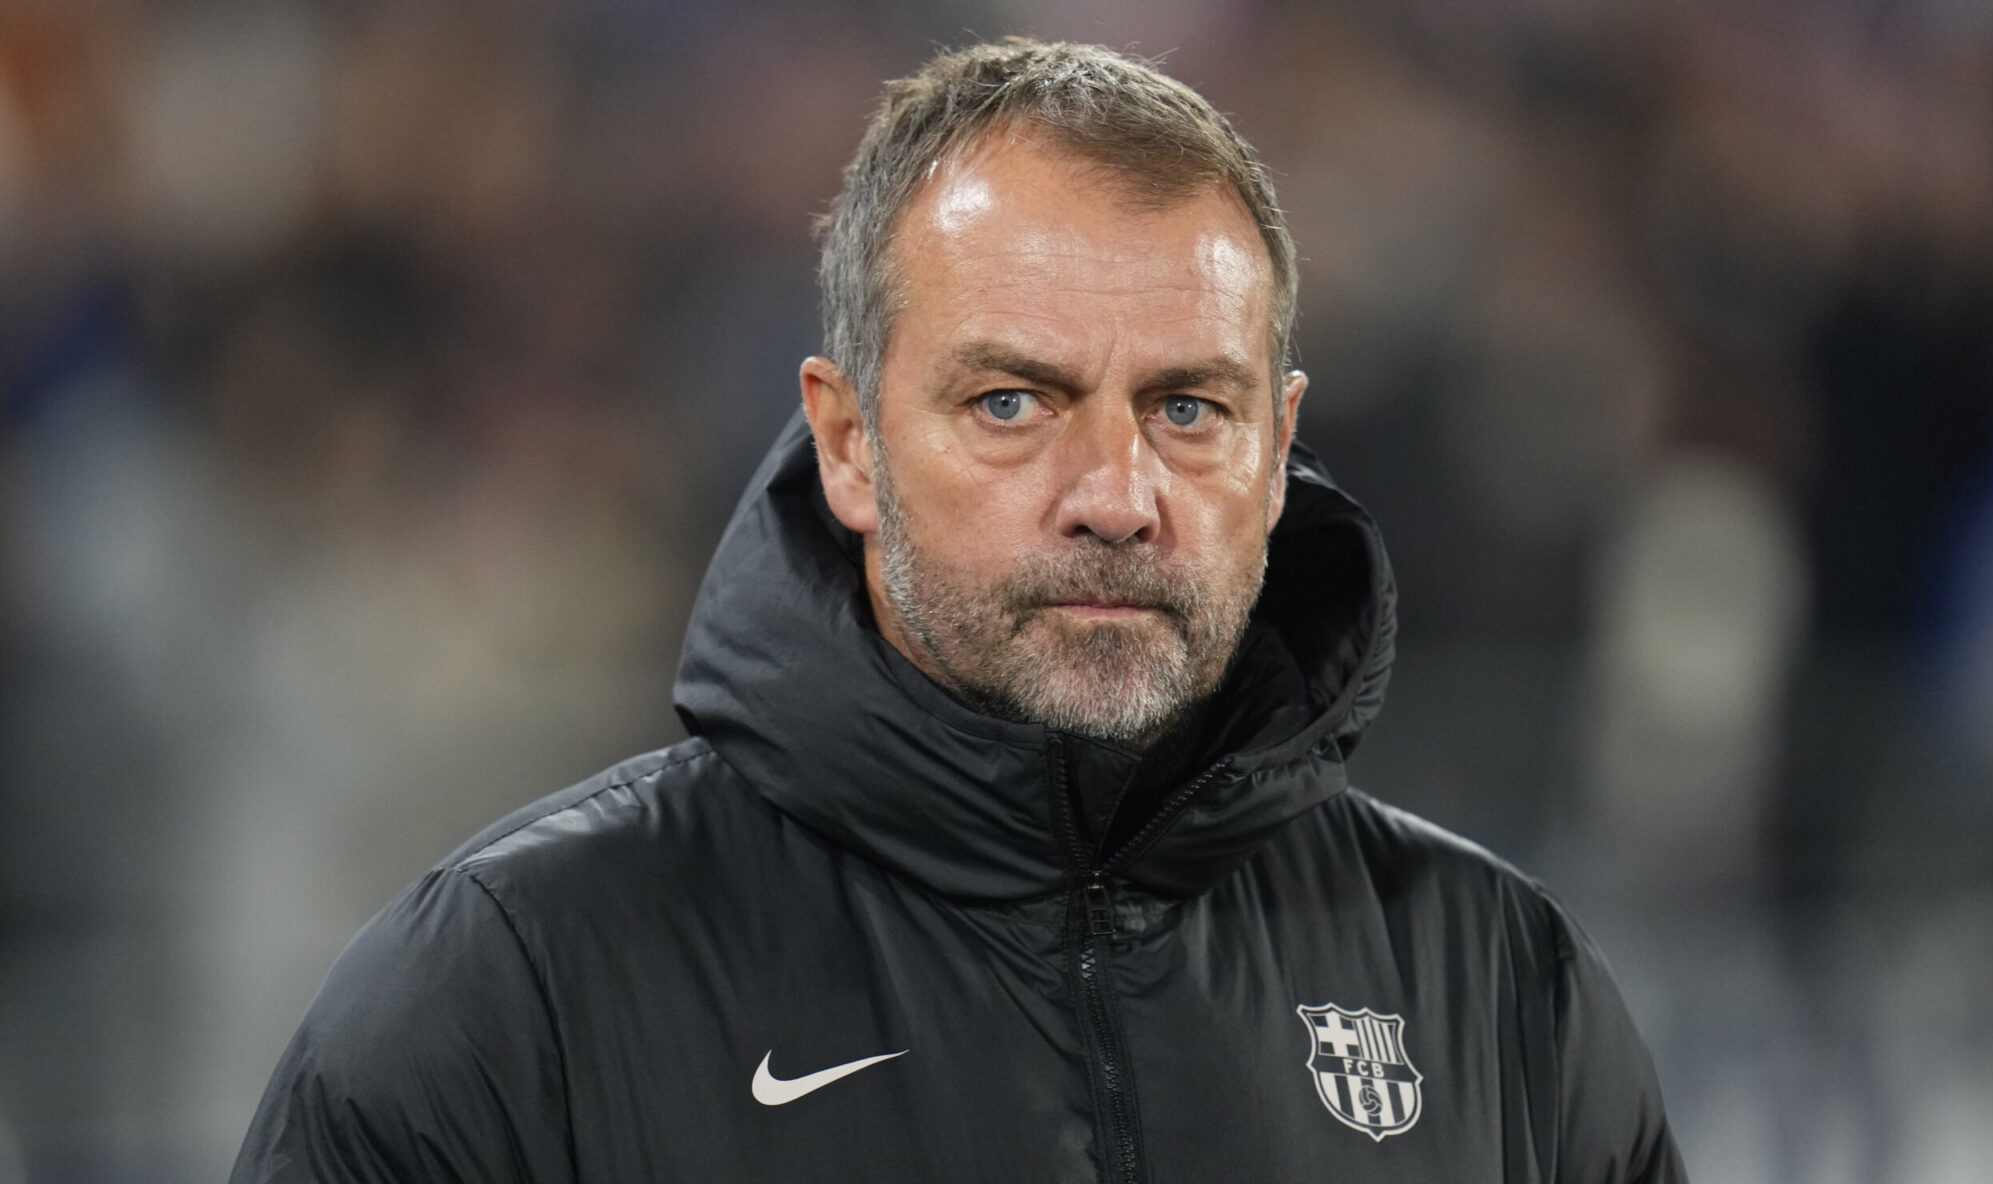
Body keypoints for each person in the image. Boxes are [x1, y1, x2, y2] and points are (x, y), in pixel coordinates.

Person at [233, 39, 1686, 1183]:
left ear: (1279, 447)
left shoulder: (1503, 994)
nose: (1116, 495)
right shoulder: (515, 992)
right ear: (849, 442)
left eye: (1189, 408)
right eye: (1012, 403)